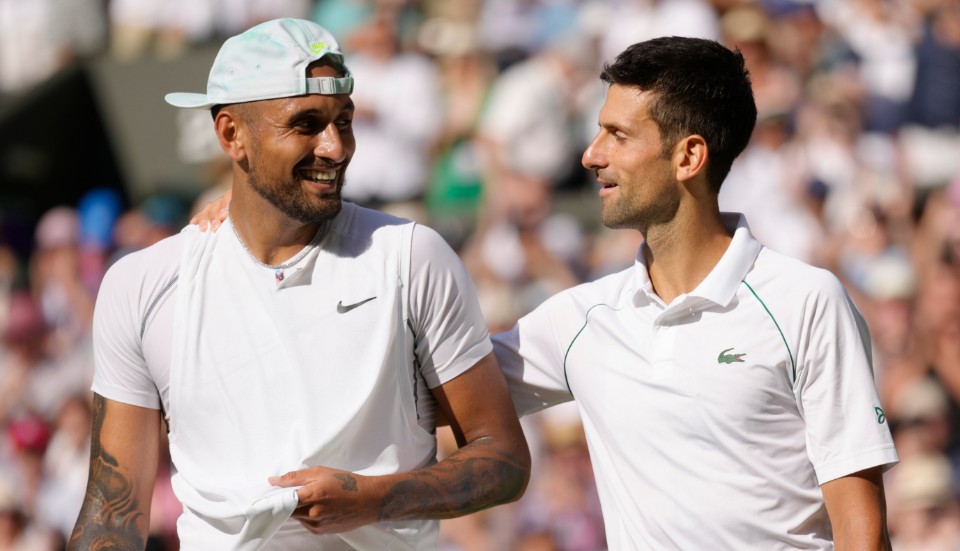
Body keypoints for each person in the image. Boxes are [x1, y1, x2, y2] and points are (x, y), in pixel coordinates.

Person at [194, 36, 899, 549]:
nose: (590, 155)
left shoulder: (807, 301)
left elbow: (861, 530)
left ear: (688, 156)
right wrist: (263, 214)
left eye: (617, 136)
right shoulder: (582, 320)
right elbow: (416, 383)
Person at [69, 18, 529, 551]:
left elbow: (503, 459)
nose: (336, 147)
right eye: (306, 124)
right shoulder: (141, 284)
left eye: (345, 121)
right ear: (230, 134)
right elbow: (111, 515)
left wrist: (375, 498)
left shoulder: (412, 257)